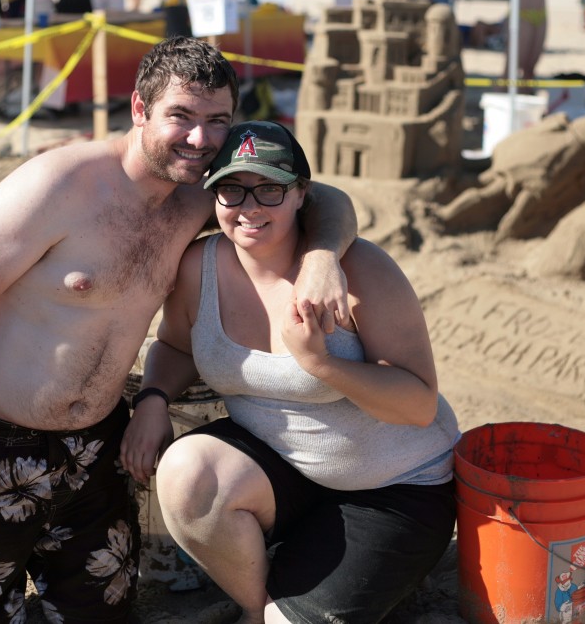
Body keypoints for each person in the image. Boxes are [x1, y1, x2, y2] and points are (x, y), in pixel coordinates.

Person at [0, 37, 357, 623]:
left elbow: (325, 200)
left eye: (217, 121)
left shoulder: (202, 195)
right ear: (140, 109)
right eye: (181, 116)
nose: (200, 140)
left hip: (98, 450)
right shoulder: (58, 186)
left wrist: (324, 257)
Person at [120, 120, 462, 624]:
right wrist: (152, 398)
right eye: (232, 189)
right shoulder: (201, 265)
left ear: (302, 194)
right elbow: (175, 344)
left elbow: (417, 406)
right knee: (187, 471)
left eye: (270, 188)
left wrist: (321, 363)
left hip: (395, 488)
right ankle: (257, 609)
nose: (250, 206)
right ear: (214, 197)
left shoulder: (362, 272)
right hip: (285, 474)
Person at [497, 0, 580, 88]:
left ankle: (524, 105)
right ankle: (499, 102)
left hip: (541, 12)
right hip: (522, 12)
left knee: (530, 71)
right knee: (511, 69)